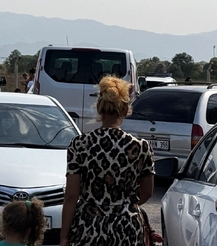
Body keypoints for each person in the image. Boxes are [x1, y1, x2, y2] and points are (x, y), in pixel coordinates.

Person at [60, 76, 155, 246]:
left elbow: (71, 196)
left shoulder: (80, 145)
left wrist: (64, 237)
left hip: (88, 227)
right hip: (127, 228)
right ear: (126, 110)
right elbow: (147, 192)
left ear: (99, 108)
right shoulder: (141, 147)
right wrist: (122, 206)